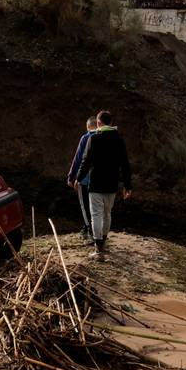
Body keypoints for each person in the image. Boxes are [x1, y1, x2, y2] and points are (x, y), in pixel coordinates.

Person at [75, 110, 132, 260]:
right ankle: (103, 243)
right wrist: (128, 186)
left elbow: (85, 162)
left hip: (96, 183)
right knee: (107, 214)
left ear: (98, 123)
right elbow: (125, 164)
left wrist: (78, 178)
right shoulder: (119, 139)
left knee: (96, 215)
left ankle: (99, 249)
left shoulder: (93, 139)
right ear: (111, 123)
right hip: (112, 183)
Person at [67, 116, 97, 242]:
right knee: (95, 207)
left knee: (85, 206)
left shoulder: (85, 138)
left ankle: (90, 232)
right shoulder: (103, 138)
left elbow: (78, 159)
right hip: (99, 179)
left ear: (88, 126)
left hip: (84, 179)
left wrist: (71, 176)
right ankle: (88, 229)